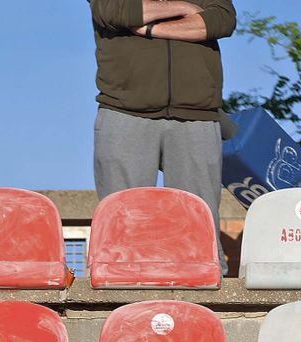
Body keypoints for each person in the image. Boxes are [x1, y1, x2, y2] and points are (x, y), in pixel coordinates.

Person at [89, 0, 236, 249]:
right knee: (122, 222)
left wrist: (149, 29)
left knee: (198, 225)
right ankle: (117, 282)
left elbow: (221, 20)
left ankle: (203, 280)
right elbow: (117, 11)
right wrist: (186, 8)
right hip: (124, 110)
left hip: (197, 113)